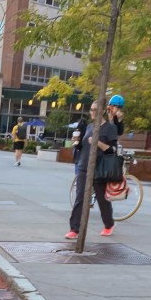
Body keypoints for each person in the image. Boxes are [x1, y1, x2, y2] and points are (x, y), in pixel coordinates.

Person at [66, 101, 119, 239]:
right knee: (80, 198)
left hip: (99, 168)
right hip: (83, 166)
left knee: (102, 199)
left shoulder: (110, 128)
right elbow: (82, 146)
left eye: (96, 109)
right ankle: (74, 229)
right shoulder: (89, 127)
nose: (93, 112)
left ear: (102, 110)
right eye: (91, 109)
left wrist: (98, 143)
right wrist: (76, 143)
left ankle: (109, 224)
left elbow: (112, 150)